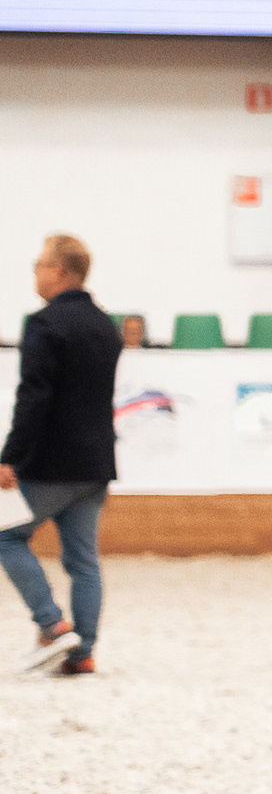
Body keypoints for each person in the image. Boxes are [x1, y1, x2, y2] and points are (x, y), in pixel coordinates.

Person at [3, 236, 121, 677]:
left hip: (50, 463)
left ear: (59, 271)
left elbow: (33, 397)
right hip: (95, 464)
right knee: (83, 560)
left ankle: (52, 625)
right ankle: (83, 652)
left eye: (39, 264)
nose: (35, 271)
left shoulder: (44, 324)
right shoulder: (104, 325)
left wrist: (9, 456)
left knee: (6, 537)